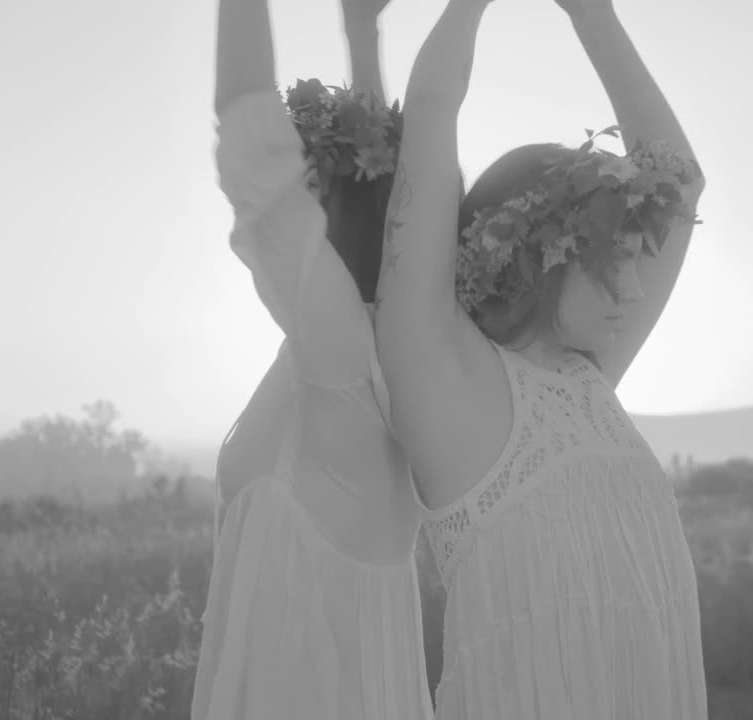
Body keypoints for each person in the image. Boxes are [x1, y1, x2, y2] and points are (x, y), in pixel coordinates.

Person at [372, 0, 709, 718]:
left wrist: (591, 13)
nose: (635, 288)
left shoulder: (591, 377)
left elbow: (680, 182)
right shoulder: (447, 381)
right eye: (612, 260)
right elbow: (431, 111)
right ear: (538, 255)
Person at [190, 0, 433, 718]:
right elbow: (383, 189)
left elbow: (251, 143)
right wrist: (362, 31)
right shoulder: (362, 346)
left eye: (307, 178)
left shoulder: (342, 351)